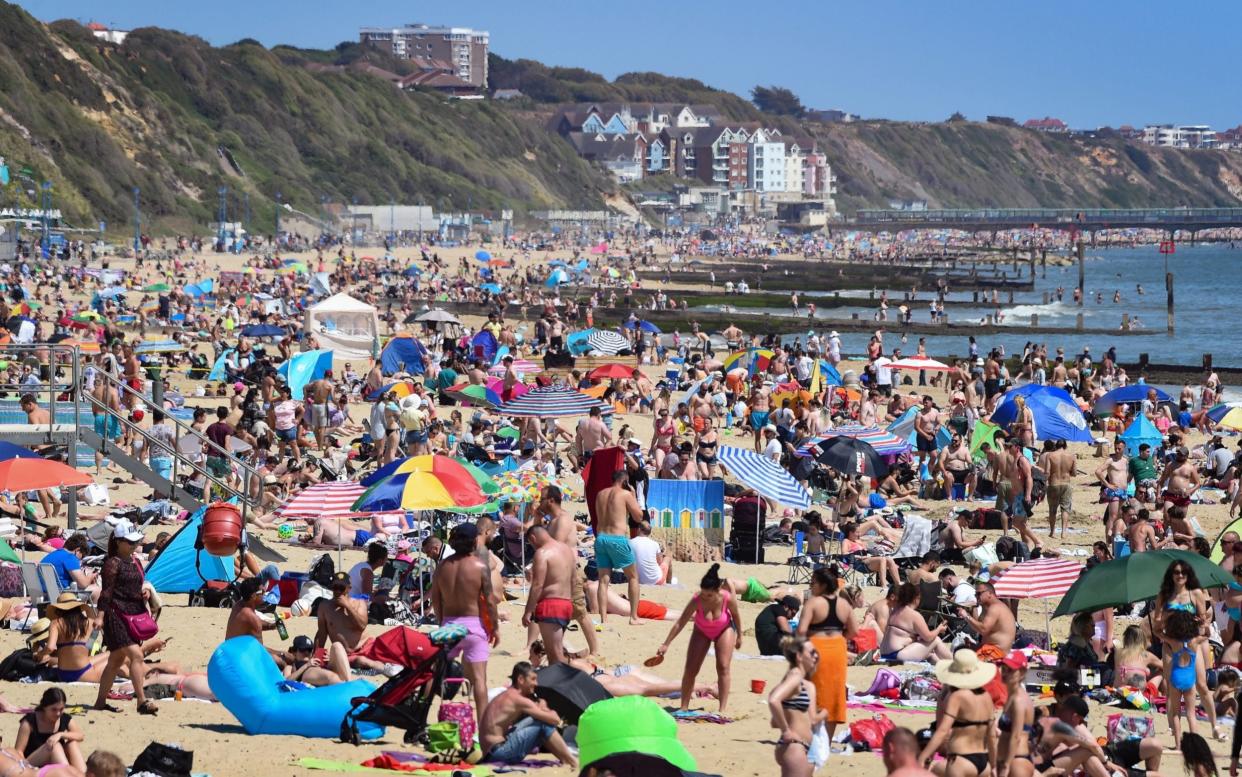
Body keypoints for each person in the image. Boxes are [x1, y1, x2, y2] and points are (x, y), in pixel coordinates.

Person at [431, 523, 498, 721]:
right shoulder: (480, 566)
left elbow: (436, 599)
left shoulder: (443, 566)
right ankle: (484, 724)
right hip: (474, 627)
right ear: (474, 541)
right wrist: (495, 627)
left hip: (449, 627)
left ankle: (441, 719)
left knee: (441, 677)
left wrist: (442, 622)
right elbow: (490, 601)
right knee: (479, 680)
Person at [92, 520, 157, 716]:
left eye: (135, 542)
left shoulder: (135, 561)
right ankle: (142, 702)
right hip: (115, 615)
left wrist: (144, 593)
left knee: (115, 661)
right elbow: (106, 592)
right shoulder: (112, 563)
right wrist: (100, 617)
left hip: (133, 614)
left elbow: (135, 586)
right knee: (136, 655)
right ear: (119, 542)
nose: (134, 545)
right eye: (130, 542)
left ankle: (100, 702)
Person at [656, 564, 741, 713]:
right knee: (691, 668)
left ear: (717, 591)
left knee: (723, 666)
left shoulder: (727, 598)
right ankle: (684, 706)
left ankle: (722, 708)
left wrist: (740, 635)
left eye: (709, 595)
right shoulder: (697, 599)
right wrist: (666, 644)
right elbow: (680, 622)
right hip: (701, 630)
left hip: (724, 629)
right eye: (703, 593)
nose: (705, 597)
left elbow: (736, 616)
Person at [796, 567, 856, 744]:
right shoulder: (844, 604)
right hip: (838, 649)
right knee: (834, 693)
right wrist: (840, 639)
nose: (811, 586)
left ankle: (811, 737)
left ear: (822, 585)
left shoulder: (813, 603)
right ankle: (826, 742)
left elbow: (800, 631)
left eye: (813, 583)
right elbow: (854, 630)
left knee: (815, 692)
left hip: (817, 647)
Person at [478, 662, 576, 768]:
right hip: (498, 753)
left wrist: (541, 709)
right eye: (533, 679)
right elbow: (555, 720)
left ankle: (566, 759)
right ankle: (572, 761)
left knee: (536, 719)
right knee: (544, 724)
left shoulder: (507, 695)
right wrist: (545, 707)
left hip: (490, 752)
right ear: (521, 679)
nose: (536, 683)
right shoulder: (519, 700)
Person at [918, 650, 996, 777]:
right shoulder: (986, 697)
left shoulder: (958, 696)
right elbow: (992, 735)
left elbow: (943, 731)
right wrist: (994, 765)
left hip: (961, 759)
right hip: (984, 761)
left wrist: (924, 757)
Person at [767, 637, 825, 777]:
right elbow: (773, 700)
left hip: (804, 748)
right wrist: (786, 730)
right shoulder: (795, 677)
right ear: (799, 656)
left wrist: (823, 714)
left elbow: (774, 721)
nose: (816, 655)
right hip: (795, 746)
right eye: (812, 653)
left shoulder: (805, 683)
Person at [593, 469, 643, 625]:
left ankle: (603, 618)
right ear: (625, 481)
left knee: (603, 580)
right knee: (633, 577)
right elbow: (639, 517)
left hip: (601, 538)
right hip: (617, 539)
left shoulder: (600, 494)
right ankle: (633, 617)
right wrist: (633, 495)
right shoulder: (625, 494)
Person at [522, 525, 576, 665]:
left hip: (551, 606)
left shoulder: (542, 553)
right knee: (557, 651)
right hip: (566, 604)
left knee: (555, 655)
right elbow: (574, 579)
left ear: (533, 538)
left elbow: (537, 585)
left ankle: (569, 682)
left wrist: (528, 611)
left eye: (531, 542)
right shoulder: (566, 550)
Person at [314, 573, 387, 674]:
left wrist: (347, 606)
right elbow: (321, 634)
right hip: (347, 654)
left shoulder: (359, 603)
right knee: (360, 661)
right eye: (335, 587)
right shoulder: (324, 607)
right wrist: (316, 655)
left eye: (341, 588)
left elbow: (362, 625)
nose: (338, 591)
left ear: (349, 588)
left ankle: (388, 669)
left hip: (367, 646)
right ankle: (384, 669)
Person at [15, 688, 84, 773]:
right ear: (44, 707)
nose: (58, 713)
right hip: (32, 764)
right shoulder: (30, 721)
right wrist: (23, 771)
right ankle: (68, 774)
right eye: (54, 709)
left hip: (56, 761)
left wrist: (60, 734)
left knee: (72, 743)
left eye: (61, 709)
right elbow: (18, 751)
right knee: (54, 746)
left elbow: (80, 735)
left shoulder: (63, 718)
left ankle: (83, 774)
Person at [880, 583, 950, 661]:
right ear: (916, 598)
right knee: (935, 640)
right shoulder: (914, 615)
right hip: (897, 654)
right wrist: (939, 629)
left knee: (930, 655)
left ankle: (944, 666)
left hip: (884, 653)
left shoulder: (895, 610)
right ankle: (956, 663)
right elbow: (928, 637)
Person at [996, 652, 1034, 777]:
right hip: (1008, 760)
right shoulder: (1012, 696)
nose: (1005, 673)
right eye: (1004, 669)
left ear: (1022, 673)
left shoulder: (1018, 700)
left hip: (1016, 762)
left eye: (1010, 670)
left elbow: (1016, 736)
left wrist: (1006, 766)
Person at [957, 581, 1016, 653]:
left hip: (996, 652)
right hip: (990, 649)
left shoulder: (995, 607)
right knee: (960, 649)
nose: (976, 596)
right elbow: (978, 627)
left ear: (990, 593)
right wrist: (973, 610)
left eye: (979, 594)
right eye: (975, 594)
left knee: (962, 656)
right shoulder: (987, 607)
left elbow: (983, 629)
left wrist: (966, 616)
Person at [40, 535, 98, 599]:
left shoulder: (53, 554)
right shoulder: (70, 557)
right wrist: (90, 576)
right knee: (97, 590)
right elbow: (83, 584)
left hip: (44, 594)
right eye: (82, 556)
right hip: (61, 596)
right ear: (77, 550)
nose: (80, 560)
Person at [283, 634, 351, 686]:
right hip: (306, 673)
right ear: (294, 652)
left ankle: (350, 683)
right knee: (332, 676)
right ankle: (349, 689)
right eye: (302, 650)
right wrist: (306, 665)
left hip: (323, 669)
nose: (307, 653)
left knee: (337, 645)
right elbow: (287, 682)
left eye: (309, 650)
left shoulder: (314, 659)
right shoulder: (290, 667)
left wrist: (331, 660)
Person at [1044, 440, 1076, 538]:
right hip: (1066, 483)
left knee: (1052, 509)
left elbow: (1047, 472)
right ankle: (1064, 532)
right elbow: (1074, 473)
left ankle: (1052, 532)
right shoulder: (1072, 456)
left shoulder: (1050, 455)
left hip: (1053, 483)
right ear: (1065, 446)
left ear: (1056, 446)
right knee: (1065, 509)